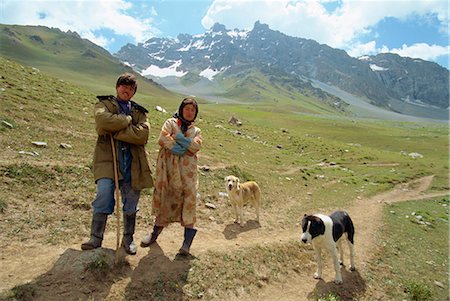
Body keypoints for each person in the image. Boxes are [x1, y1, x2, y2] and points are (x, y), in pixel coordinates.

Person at [81, 73, 153, 255]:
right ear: (117, 87)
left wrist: (115, 131)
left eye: (130, 88)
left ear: (134, 92)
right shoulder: (104, 104)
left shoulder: (139, 112)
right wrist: (127, 120)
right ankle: (95, 238)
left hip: (132, 164)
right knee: (104, 195)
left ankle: (128, 240)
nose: (126, 90)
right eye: (123, 86)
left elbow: (142, 134)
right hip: (107, 160)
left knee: (131, 203)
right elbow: (102, 121)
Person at [141, 97, 202, 256]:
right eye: (187, 109)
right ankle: (154, 234)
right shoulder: (170, 123)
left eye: (192, 110)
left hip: (188, 175)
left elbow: (196, 146)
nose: (189, 112)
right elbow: (162, 139)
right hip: (168, 170)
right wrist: (183, 147)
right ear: (181, 109)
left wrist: (178, 138)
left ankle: (186, 244)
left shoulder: (197, 131)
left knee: (189, 201)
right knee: (165, 198)